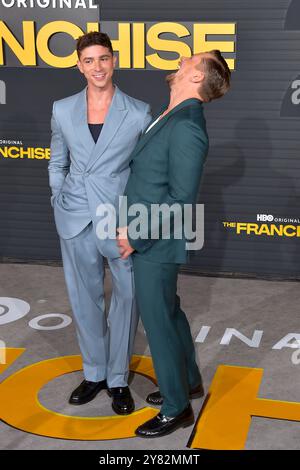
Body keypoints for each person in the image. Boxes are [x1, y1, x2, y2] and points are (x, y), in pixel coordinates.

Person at [117, 50, 231, 436]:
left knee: (157, 320)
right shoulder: (171, 116)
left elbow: (182, 200)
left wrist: (136, 233)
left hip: (156, 240)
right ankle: (190, 382)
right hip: (148, 232)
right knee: (170, 310)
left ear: (199, 77)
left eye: (190, 59)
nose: (182, 59)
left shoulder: (187, 127)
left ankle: (176, 407)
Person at [48, 31, 151, 415]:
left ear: (114, 60)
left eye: (103, 58)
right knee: (84, 297)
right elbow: (57, 160)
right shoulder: (62, 108)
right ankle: (94, 372)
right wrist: (58, 197)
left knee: (127, 295)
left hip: (118, 216)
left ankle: (118, 377)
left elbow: (146, 171)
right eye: (89, 61)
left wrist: (136, 220)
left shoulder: (138, 111)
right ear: (79, 66)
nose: (97, 67)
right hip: (74, 213)